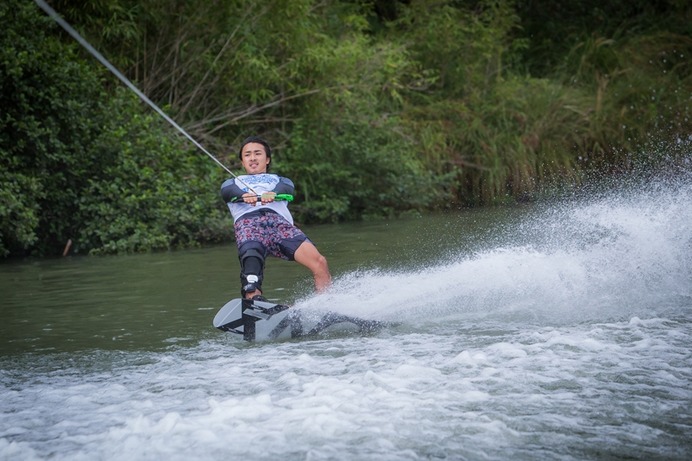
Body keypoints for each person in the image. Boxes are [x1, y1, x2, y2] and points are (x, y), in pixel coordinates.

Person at [220, 136, 331, 301]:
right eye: (247, 155)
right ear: (242, 162)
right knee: (251, 277)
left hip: (279, 225)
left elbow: (286, 188)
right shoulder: (232, 183)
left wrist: (273, 194)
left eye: (257, 153)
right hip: (250, 225)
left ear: (267, 159)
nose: (252, 158)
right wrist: (243, 195)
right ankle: (255, 306)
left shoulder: (280, 180)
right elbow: (228, 192)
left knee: (320, 262)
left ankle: (326, 304)